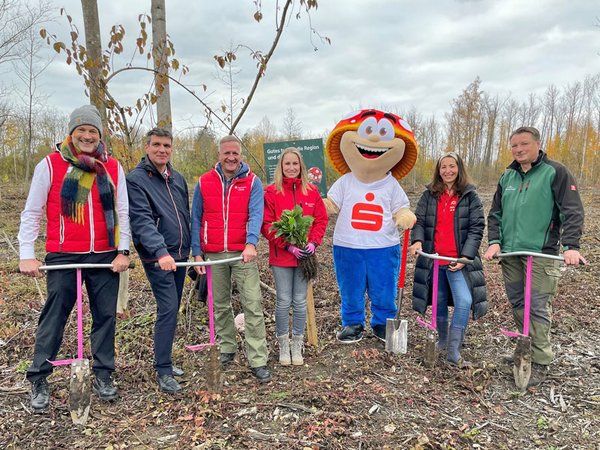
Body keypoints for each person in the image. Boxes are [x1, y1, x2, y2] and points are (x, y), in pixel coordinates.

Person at [18, 104, 130, 411]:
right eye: (81, 130)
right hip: (64, 255)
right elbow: (32, 212)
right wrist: (27, 254)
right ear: (71, 133)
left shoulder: (113, 167)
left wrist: (123, 250)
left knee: (106, 316)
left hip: (104, 256)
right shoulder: (51, 165)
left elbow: (122, 212)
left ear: (99, 136)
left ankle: (104, 374)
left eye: (93, 131)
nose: (87, 135)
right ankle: (39, 376)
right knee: (54, 317)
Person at [483, 126, 585, 386]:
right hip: (512, 254)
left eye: (524, 144)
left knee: (537, 306)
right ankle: (524, 348)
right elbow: (495, 214)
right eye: (514, 145)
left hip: (541, 254)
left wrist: (571, 245)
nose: (519, 149)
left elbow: (572, 211)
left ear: (538, 144)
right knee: (519, 303)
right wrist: (495, 242)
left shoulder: (556, 172)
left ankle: (540, 361)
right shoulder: (507, 176)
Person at [191, 135, 271, 383]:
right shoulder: (204, 182)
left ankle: (258, 359)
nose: (231, 157)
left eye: (235, 153)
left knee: (252, 304)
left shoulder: (252, 182)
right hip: (213, 253)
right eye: (226, 153)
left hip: (242, 253)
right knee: (219, 304)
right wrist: (196, 252)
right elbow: (195, 217)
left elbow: (256, 214)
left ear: (240, 155)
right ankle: (227, 347)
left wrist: (251, 243)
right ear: (219, 155)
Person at [127, 127, 191, 394]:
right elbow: (141, 221)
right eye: (157, 145)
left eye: (167, 145)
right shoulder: (137, 180)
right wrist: (160, 252)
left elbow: (184, 215)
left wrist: (191, 251)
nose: (162, 150)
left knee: (173, 308)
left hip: (180, 255)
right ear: (147, 147)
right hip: (158, 258)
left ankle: (164, 359)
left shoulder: (177, 179)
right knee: (167, 308)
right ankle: (163, 369)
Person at [409, 152, 487, 365]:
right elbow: (420, 222)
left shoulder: (470, 196)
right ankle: (442, 341)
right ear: (438, 170)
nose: (448, 171)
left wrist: (465, 257)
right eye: (443, 167)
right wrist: (417, 241)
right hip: (434, 260)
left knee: (464, 301)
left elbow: (476, 227)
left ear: (459, 168)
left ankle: (454, 351)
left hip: (458, 262)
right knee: (439, 301)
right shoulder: (429, 195)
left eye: (452, 166)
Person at [261, 148, 328, 366]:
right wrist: (287, 246)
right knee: (283, 301)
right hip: (281, 257)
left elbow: (321, 220)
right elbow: (267, 225)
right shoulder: (271, 192)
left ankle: (297, 344)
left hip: (304, 258)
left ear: (301, 167)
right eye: (287, 164)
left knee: (299, 301)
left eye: (295, 164)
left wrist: (313, 243)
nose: (291, 168)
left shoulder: (311, 192)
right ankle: (283, 344)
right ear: (280, 167)